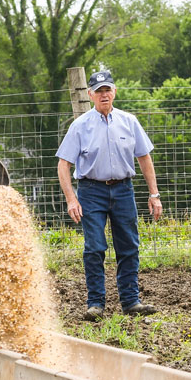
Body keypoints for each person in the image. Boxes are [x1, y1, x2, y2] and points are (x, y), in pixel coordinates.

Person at [56, 70, 162, 321]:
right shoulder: (80, 126)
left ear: (114, 92)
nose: (104, 95)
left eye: (108, 90)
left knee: (129, 245)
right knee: (94, 247)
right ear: (90, 94)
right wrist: (72, 198)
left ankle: (130, 301)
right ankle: (95, 303)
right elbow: (63, 165)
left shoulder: (129, 121)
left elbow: (144, 157)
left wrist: (154, 194)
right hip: (91, 191)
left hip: (124, 189)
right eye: (99, 91)